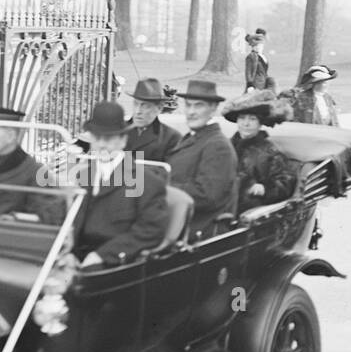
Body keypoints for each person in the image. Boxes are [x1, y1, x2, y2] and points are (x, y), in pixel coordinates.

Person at [66, 101, 169, 267]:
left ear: (123, 141)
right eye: (97, 138)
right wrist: (69, 253)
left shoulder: (148, 182)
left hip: (117, 264)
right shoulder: (82, 176)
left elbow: (150, 231)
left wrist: (101, 256)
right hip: (78, 260)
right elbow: (73, 223)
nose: (102, 145)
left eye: (109, 138)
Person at [166, 79, 238, 239]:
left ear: (213, 109)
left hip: (198, 232)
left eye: (198, 105)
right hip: (175, 222)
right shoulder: (192, 138)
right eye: (188, 105)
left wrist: (159, 189)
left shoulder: (218, 146)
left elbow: (207, 196)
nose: (191, 111)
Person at [220, 90, 298, 214]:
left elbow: (285, 181)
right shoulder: (224, 146)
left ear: (260, 123)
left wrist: (264, 188)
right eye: (242, 118)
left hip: (246, 206)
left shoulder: (268, 151)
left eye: (252, 119)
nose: (246, 123)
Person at [123, 78, 183, 163]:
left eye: (145, 106)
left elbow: (171, 173)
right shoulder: (116, 131)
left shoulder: (171, 138)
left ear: (159, 108)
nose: (138, 111)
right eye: (136, 104)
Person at [244, 28, 274, 93]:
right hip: (255, 85)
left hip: (264, 84)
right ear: (253, 46)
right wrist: (250, 84)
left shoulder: (263, 56)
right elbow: (248, 72)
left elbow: (264, 72)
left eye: (261, 45)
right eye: (257, 45)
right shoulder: (251, 56)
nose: (260, 47)